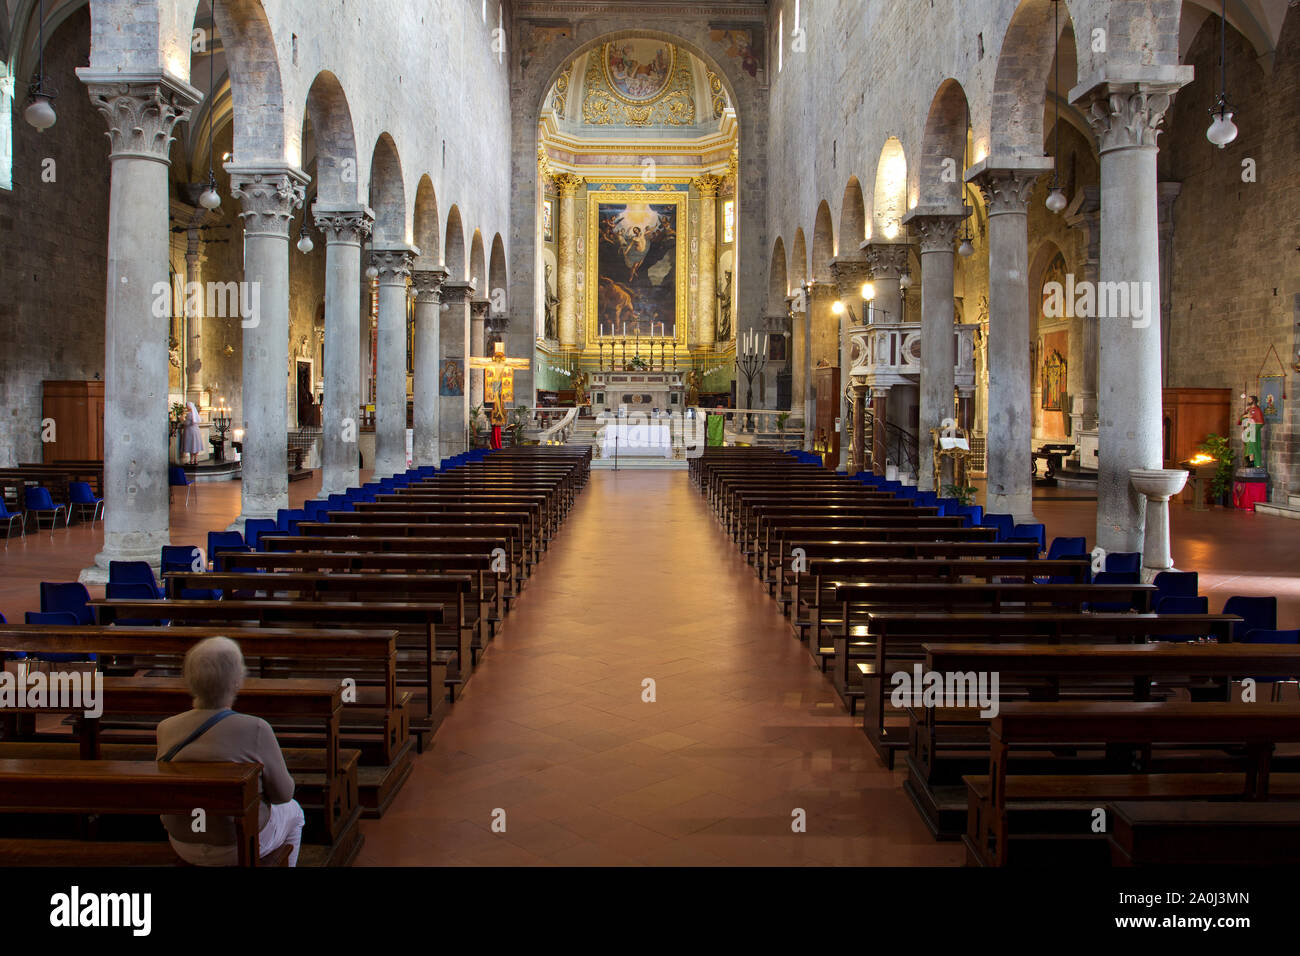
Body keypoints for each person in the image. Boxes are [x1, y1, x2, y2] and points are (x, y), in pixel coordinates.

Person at [156, 636, 304, 866]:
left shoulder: (165, 728)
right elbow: (284, 794)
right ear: (236, 681)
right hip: (237, 844)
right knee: (295, 812)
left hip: (182, 841)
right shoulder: (256, 728)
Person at [181, 401, 203, 466]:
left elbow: (187, 423)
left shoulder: (189, 414)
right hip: (196, 430)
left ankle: (191, 460)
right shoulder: (195, 414)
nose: (186, 407)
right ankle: (195, 459)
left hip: (190, 431)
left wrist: (182, 420)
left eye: (187, 406)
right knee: (195, 445)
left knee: (191, 445)